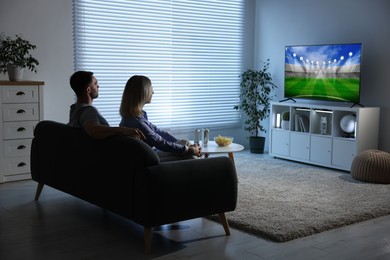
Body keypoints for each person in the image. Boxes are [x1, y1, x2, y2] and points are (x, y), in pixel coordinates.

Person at [119, 75, 201, 160]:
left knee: (185, 142)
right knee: (190, 156)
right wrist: (189, 150)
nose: (153, 92)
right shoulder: (137, 123)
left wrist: (182, 145)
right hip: (150, 159)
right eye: (151, 89)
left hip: (153, 153)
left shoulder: (137, 116)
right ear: (143, 92)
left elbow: (159, 132)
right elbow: (160, 142)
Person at [68, 71, 145, 140]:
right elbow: (93, 130)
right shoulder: (88, 110)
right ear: (88, 90)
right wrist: (122, 130)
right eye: (95, 84)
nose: (98, 86)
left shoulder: (74, 109)